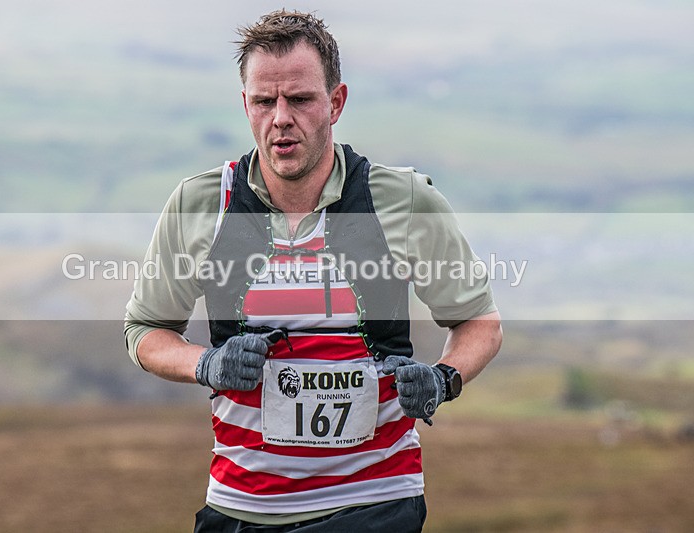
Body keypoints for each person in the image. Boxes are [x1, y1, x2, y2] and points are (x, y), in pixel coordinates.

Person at [124, 9, 502, 532]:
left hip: (377, 503)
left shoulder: (405, 200)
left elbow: (480, 321)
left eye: (299, 99)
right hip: (241, 506)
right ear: (245, 106)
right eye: (264, 101)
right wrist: (207, 365)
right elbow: (144, 331)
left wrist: (442, 379)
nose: (280, 117)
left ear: (336, 103)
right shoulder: (201, 204)